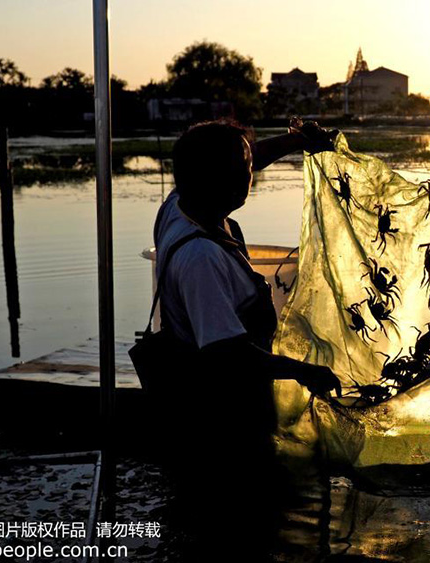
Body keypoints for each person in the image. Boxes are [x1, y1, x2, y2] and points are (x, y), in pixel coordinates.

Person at [151, 118, 341, 557]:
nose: (251, 174)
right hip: (219, 419)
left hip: (223, 410)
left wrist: (295, 141)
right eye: (241, 168)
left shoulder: (179, 204)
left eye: (249, 164)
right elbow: (227, 354)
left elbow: (244, 161)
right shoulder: (200, 258)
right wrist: (304, 371)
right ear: (210, 176)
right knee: (236, 529)